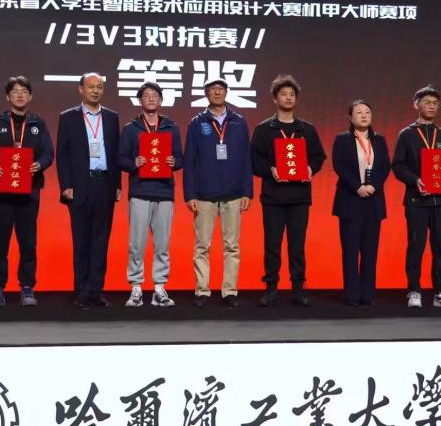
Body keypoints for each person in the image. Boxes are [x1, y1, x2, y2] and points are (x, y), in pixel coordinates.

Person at [250, 75, 326, 307]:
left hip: (299, 196)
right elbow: (254, 160)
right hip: (273, 197)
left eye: (292, 94)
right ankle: (271, 288)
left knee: (297, 246)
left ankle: (298, 289)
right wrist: (270, 169)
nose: (288, 98)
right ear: (275, 99)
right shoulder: (264, 129)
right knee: (272, 245)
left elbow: (318, 156)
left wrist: (311, 168)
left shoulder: (306, 129)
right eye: (284, 94)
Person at [0, 76, 54, 308]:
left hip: (29, 192)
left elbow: (48, 153)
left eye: (24, 91)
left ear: (30, 96)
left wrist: (39, 164)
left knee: (28, 243)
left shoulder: (38, 124)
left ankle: (27, 287)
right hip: (1, 193)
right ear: (7, 96)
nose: (19, 95)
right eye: (15, 91)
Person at [183, 77, 253, 308]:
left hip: (234, 193)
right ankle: (202, 291)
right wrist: (190, 194)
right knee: (202, 245)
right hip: (204, 194)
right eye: (213, 89)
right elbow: (189, 161)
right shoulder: (197, 123)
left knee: (232, 246)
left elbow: (247, 159)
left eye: (221, 89)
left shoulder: (238, 122)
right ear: (206, 94)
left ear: (226, 92)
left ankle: (229, 291)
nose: (217, 92)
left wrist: (247, 191)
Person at [391, 85, 441, 309]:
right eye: (427, 102)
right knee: (416, 246)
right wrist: (415, 180)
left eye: (435, 104)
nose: (432, 106)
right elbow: (398, 166)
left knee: (440, 248)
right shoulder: (407, 134)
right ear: (416, 105)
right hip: (416, 201)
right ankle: (414, 291)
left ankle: (440, 292)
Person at [56, 73, 121, 309]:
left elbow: (115, 153)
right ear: (81, 89)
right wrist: (66, 185)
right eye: (91, 87)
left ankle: (97, 290)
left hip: (104, 184)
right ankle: (81, 290)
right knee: (81, 240)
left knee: (101, 240)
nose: (95, 90)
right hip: (79, 186)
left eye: (99, 87)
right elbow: (62, 154)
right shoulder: (68, 117)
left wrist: (117, 184)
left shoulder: (112, 117)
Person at [118, 82, 182, 307]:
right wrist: (133, 163)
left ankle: (159, 288)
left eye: (155, 95)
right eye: (147, 95)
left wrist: (174, 162)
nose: (151, 98)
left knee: (162, 244)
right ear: (140, 100)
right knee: (136, 243)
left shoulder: (171, 128)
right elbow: (121, 159)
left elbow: (180, 158)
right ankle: (136, 287)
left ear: (161, 100)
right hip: (140, 191)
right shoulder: (131, 129)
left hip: (164, 191)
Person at [332, 100, 390, 307]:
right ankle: (352, 295)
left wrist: (374, 185)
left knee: (370, 251)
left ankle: (368, 294)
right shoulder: (342, 140)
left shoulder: (379, 140)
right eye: (359, 112)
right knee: (350, 251)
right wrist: (357, 186)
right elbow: (339, 166)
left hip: (373, 200)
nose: (364, 115)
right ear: (350, 117)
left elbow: (385, 167)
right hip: (350, 199)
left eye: (367, 112)